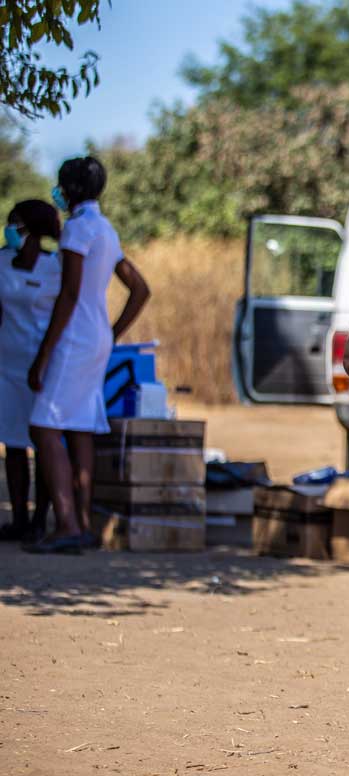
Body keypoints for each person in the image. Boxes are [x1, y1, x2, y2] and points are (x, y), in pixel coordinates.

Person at [25, 156, 150, 554]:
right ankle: (82, 521)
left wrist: (44, 353)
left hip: (75, 338)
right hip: (96, 338)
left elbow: (70, 293)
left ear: (72, 190)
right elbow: (140, 289)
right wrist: (111, 333)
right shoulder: (106, 229)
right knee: (79, 428)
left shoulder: (77, 229)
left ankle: (66, 523)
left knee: (43, 428)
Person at [0, 201, 60, 543]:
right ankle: (19, 518)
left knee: (42, 442)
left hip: (41, 365)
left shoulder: (56, 268)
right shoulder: (2, 262)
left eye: (16, 225)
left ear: (34, 231)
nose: (10, 230)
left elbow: (63, 314)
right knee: (13, 443)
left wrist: (45, 358)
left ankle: (41, 519)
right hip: (6, 365)